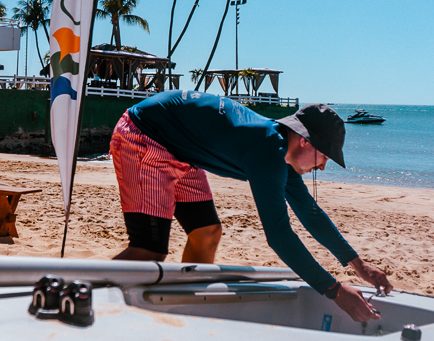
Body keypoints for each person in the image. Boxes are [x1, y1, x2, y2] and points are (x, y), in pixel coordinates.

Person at [109, 89, 393, 322]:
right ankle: (81, 291)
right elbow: (279, 235)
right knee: (150, 250)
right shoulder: (269, 151)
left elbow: (310, 214)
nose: (324, 165)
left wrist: (359, 265)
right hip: (144, 133)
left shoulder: (282, 152)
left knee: (207, 232)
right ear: (306, 142)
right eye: (326, 156)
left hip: (180, 148)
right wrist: (335, 291)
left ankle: (186, 307)